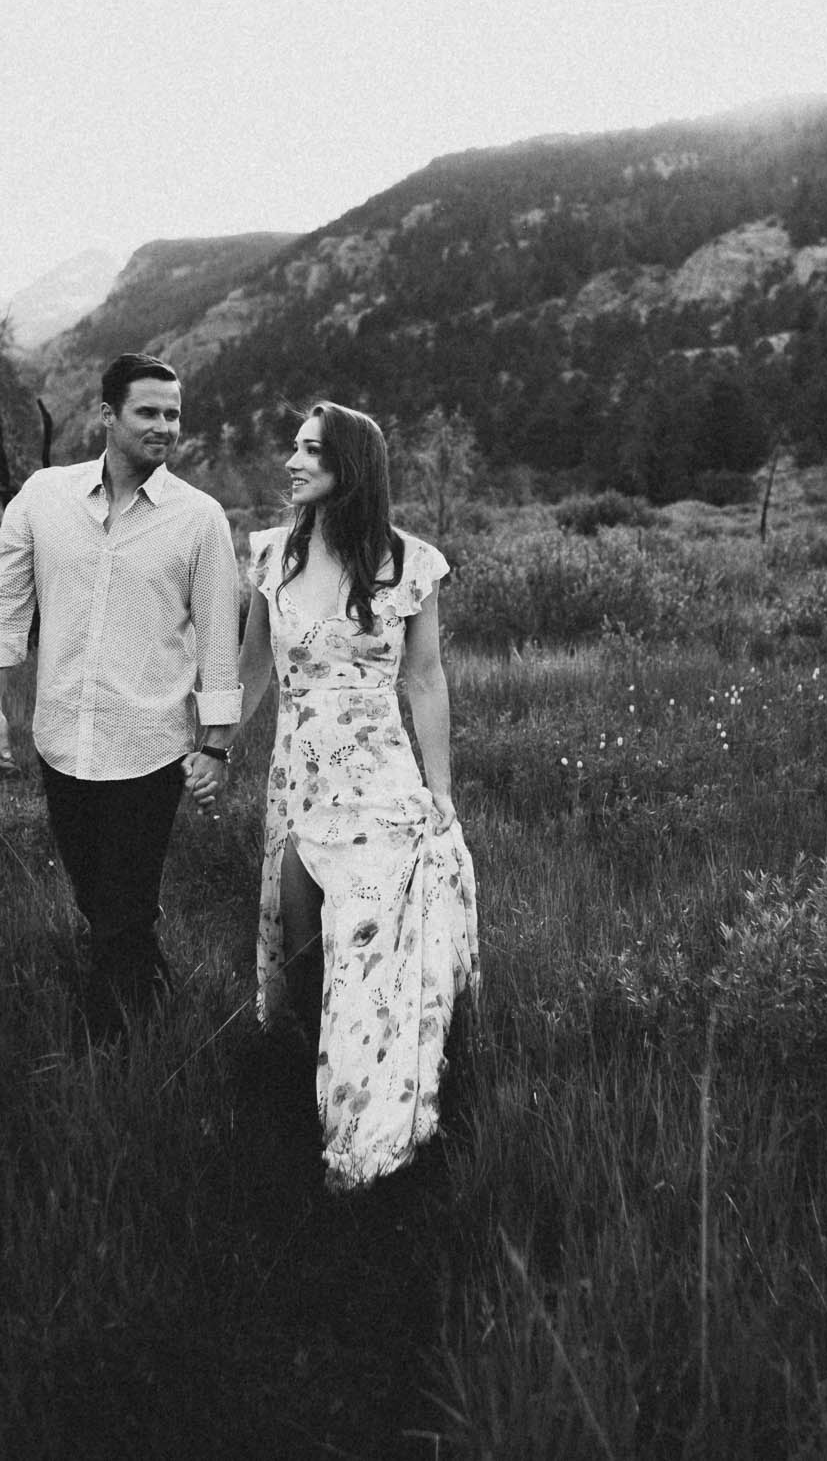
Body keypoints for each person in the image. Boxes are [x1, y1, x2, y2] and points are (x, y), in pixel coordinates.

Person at [237, 401, 479, 1189]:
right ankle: (305, 1082)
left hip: (379, 784)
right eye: (295, 448)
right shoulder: (272, 556)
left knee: (371, 950)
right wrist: (207, 746)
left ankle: (372, 1127)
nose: (292, 462)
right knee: (304, 944)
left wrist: (440, 792)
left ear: (351, 466)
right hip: (300, 777)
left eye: (312, 451)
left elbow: (425, 677)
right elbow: (252, 670)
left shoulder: (409, 562)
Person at [0, 353, 243, 1040]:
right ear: (107, 416)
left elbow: (218, 640)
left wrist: (215, 745)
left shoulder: (199, 519)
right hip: (61, 740)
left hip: (150, 747)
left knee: (123, 906)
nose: (164, 427)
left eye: (173, 414)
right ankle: (153, 989)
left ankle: (113, 1048)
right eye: (148, 412)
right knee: (98, 899)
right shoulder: (42, 497)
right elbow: (5, 606)